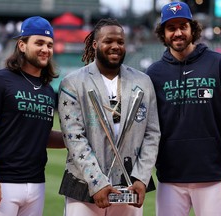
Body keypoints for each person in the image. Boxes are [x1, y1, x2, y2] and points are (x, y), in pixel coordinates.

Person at [146, 2, 221, 216]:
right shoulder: (154, 73)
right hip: (170, 179)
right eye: (171, 28)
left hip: (214, 177)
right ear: (163, 33)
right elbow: (146, 126)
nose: (178, 33)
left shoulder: (217, 63)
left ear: (192, 29)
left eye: (183, 26)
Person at [58, 18, 160, 216]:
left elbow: (152, 133)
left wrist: (142, 177)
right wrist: (97, 182)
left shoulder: (143, 82)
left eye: (120, 42)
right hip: (83, 185)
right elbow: (74, 138)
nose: (115, 46)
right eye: (108, 41)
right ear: (95, 44)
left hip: (129, 185)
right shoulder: (72, 83)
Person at [0, 16, 64, 216]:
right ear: (22, 45)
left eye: (49, 44)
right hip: (1, 181)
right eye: (39, 43)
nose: (45, 49)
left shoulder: (48, 90)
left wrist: (76, 139)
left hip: (36, 184)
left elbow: (41, 135)